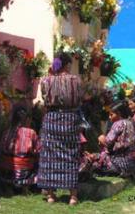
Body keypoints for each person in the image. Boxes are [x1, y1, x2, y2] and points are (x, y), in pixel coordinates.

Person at [37, 52, 82, 206]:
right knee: (71, 155)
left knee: (50, 157)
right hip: (70, 120)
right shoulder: (75, 80)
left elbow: (45, 98)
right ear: (68, 64)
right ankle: (73, 197)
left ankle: (50, 196)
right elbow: (80, 99)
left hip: (51, 120)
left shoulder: (46, 81)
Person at [0, 106, 40, 191]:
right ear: (27, 119)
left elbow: (1, 149)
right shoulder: (31, 133)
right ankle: (26, 185)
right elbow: (38, 150)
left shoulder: (7, 132)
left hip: (6, 173)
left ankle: (9, 185)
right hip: (24, 173)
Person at [98, 101, 135, 177]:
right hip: (134, 162)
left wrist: (101, 139)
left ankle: (114, 170)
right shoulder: (131, 121)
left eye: (111, 115)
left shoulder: (118, 124)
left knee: (100, 155)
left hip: (122, 162)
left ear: (119, 113)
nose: (109, 117)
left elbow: (107, 142)